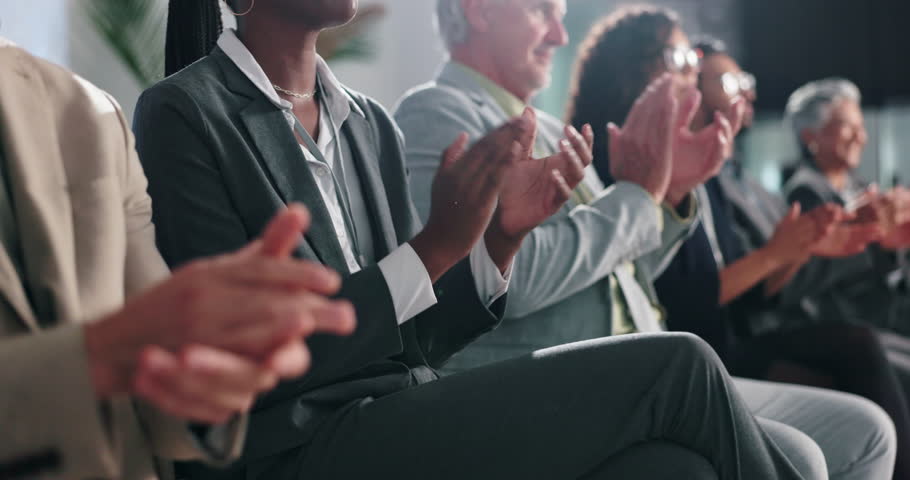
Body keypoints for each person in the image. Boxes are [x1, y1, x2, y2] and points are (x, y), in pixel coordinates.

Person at [133, 1, 838, 478]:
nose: (556, 28)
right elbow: (242, 356)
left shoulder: (369, 122)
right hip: (295, 440)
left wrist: (497, 242)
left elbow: (415, 342)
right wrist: (436, 247)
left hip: (400, 403)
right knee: (681, 364)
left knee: (678, 470)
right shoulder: (184, 113)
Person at [397, 1, 894, 479]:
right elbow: (498, 284)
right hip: (561, 383)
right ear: (479, 9)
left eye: (561, 16)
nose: (559, 35)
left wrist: (670, 192)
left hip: (644, 365)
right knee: (802, 456)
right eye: (540, 11)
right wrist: (638, 196)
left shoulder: (551, 127)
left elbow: (622, 274)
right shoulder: (436, 112)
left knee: (865, 431)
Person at [562, 5, 898, 479]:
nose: (693, 79)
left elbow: (746, 274)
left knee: (871, 380)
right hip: (695, 348)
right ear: (637, 67)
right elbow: (679, 297)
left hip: (714, 340)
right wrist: (788, 251)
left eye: (700, 71)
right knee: (861, 361)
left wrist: (803, 246)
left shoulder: (712, 169)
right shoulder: (618, 158)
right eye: (683, 61)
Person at [0, 37, 355, 480]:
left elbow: (169, 393)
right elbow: (121, 347)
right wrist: (93, 360)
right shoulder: (177, 107)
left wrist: (218, 362)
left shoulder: (88, 115)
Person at [652, 37, 910, 480]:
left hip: (752, 321)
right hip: (744, 333)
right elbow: (738, 285)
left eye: (744, 81)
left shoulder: (738, 180)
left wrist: (816, 244)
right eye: (730, 81)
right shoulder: (710, 180)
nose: (746, 93)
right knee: (864, 346)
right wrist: (842, 245)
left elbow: (772, 266)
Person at [784, 78, 910, 334]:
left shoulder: (858, 184)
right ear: (810, 135)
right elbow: (821, 276)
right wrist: (881, 238)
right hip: (851, 324)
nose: (861, 137)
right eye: (847, 126)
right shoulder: (805, 191)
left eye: (861, 127)